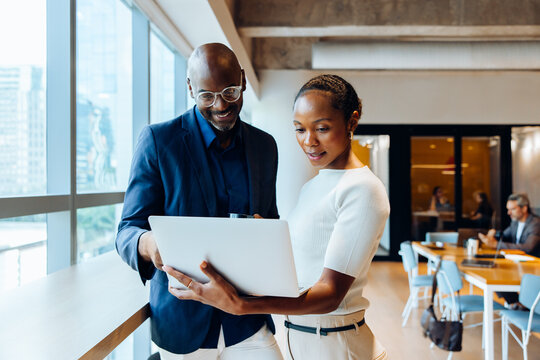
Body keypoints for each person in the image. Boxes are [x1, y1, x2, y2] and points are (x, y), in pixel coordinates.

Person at [164, 75, 390, 360]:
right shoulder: (315, 185)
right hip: (305, 341)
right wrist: (266, 236)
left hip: (339, 346)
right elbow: (302, 266)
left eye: (321, 128)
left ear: (352, 122)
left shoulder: (363, 189)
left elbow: (331, 293)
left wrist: (241, 305)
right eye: (299, 129)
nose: (309, 141)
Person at [116, 43, 282, 359]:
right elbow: (127, 230)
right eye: (207, 96)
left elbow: (270, 219)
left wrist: (268, 232)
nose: (220, 105)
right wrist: (149, 244)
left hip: (247, 318)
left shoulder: (265, 146)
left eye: (230, 92)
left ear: (244, 80)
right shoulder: (158, 141)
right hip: (182, 325)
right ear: (191, 89)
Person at [478, 193, 540, 306]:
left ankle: (521, 305)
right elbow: (504, 235)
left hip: (533, 267)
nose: (509, 213)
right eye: (508, 209)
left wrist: (496, 244)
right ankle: (516, 304)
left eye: (512, 209)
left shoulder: (535, 224)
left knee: (498, 277)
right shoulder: (515, 223)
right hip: (519, 264)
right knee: (495, 275)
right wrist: (493, 234)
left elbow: (528, 247)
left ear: (524, 208)